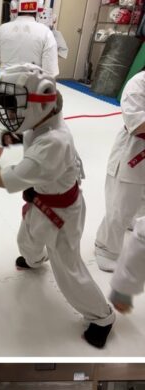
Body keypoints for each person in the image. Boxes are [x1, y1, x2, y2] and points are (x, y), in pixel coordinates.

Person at [0, 65, 116, 349]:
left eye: (15, 104)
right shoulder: (43, 123)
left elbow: (10, 178)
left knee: (67, 269)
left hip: (62, 214)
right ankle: (33, 260)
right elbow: (31, 147)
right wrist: (14, 139)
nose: (10, 111)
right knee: (26, 239)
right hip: (42, 200)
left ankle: (102, 317)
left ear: (41, 102)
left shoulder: (54, 141)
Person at [0, 0, 58, 159]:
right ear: (38, 9)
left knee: (0, 127)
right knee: (34, 129)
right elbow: (50, 72)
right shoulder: (45, 32)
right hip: (33, 91)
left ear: (14, 8)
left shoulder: (2, 30)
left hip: (5, 89)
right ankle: (29, 165)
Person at [94, 70, 145, 272]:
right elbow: (137, 124)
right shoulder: (138, 84)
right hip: (134, 151)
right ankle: (105, 249)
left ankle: (135, 224)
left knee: (141, 202)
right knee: (120, 205)